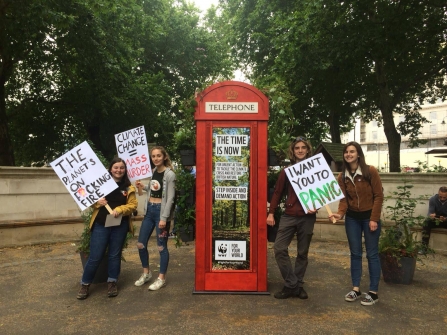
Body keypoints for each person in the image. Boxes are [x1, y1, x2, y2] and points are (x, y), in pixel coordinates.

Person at [328, 141, 383, 306]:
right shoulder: (341, 176)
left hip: (369, 218)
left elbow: (378, 196)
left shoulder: (370, 171)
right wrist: (340, 213)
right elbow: (344, 199)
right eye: (346, 152)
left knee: (372, 254)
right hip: (352, 219)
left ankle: (373, 292)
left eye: (352, 151)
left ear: (358, 154)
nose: (349, 154)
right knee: (355, 254)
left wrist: (374, 218)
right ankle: (356, 289)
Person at [77, 157, 137, 300]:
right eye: (116, 167)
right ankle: (85, 284)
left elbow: (133, 205)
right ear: (110, 169)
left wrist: (120, 209)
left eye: (122, 168)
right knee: (95, 256)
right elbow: (87, 199)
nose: (119, 170)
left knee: (114, 255)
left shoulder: (129, 187)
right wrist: (97, 202)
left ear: (125, 170)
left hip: (119, 226)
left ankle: (112, 282)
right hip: (100, 225)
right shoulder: (100, 185)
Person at [266, 136, 317, 299]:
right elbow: (277, 192)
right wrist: (271, 212)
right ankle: (293, 284)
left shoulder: (315, 170)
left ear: (307, 150)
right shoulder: (287, 171)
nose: (300, 150)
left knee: (302, 253)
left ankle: (295, 286)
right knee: (279, 248)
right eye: (297, 148)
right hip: (289, 215)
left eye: (303, 147)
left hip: (307, 217)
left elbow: (323, 192)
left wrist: (317, 205)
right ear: (293, 151)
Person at [134, 146, 176, 290]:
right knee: (140, 244)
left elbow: (170, 198)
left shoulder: (170, 175)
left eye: (159, 155)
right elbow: (154, 190)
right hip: (149, 212)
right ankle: (146, 273)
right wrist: (142, 186)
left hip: (161, 214)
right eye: (153, 156)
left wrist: (164, 218)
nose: (156, 158)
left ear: (164, 157)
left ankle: (161, 278)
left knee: (161, 246)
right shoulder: (153, 172)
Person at [169, 165, 196, 238]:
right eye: (186, 165)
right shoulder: (181, 172)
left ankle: (191, 231)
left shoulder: (195, 172)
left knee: (191, 214)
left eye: (188, 165)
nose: (187, 166)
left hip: (192, 197)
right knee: (178, 213)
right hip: (183, 197)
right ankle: (175, 232)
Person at [421, 186, 447, 251]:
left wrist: (445, 218)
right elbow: (430, 212)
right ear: (438, 193)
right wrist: (431, 215)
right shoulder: (433, 199)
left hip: (446, 220)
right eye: (440, 196)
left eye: (444, 197)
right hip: (436, 220)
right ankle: (424, 247)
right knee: (426, 223)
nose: (442, 199)